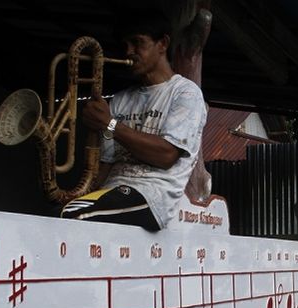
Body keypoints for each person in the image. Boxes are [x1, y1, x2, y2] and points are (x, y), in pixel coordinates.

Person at [60, 8, 207, 231]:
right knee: (58, 214)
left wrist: (109, 124)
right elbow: (107, 164)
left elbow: (166, 155)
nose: (129, 51)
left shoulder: (185, 93)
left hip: (152, 196)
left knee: (73, 215)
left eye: (138, 43)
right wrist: (79, 193)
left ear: (163, 44)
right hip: (115, 191)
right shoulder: (119, 101)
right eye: (125, 45)